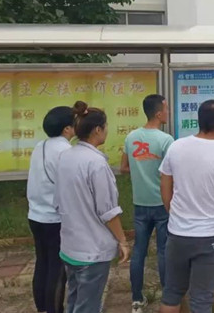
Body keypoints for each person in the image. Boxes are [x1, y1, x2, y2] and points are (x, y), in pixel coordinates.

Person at [159, 100, 214, 313]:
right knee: (202, 299)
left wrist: (173, 212)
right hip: (210, 238)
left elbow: (165, 184)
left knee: (172, 294)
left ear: (198, 121)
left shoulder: (176, 147)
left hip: (177, 234)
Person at [55, 101, 130, 313]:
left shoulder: (66, 156)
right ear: (98, 130)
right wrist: (122, 241)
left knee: (75, 300)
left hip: (70, 245)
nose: (107, 130)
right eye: (105, 126)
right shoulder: (96, 163)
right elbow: (108, 211)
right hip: (92, 250)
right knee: (87, 306)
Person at [121, 94, 175, 313]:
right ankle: (168, 297)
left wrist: (140, 170)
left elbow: (123, 168)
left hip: (140, 203)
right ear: (159, 113)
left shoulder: (131, 137)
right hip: (162, 203)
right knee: (163, 251)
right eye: (166, 109)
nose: (168, 112)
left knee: (139, 251)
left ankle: (136, 299)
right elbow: (171, 174)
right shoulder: (166, 140)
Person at [27, 106, 74, 313]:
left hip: (36, 215)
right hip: (55, 219)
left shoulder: (40, 146)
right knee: (57, 268)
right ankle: (54, 309)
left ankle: (43, 308)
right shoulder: (66, 152)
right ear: (67, 129)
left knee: (42, 263)